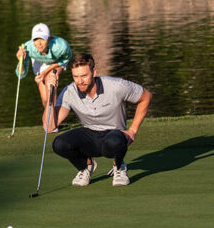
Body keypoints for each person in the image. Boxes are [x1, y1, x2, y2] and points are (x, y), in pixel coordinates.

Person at [46, 52, 151, 187]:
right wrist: (52, 93)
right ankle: (85, 166)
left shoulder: (116, 85)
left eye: (84, 76)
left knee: (114, 142)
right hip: (89, 134)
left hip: (114, 134)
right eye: (76, 77)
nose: (80, 81)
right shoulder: (69, 91)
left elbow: (146, 96)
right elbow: (50, 126)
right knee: (59, 144)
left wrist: (132, 130)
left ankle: (119, 166)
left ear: (94, 72)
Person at [15, 23, 72, 111]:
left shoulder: (61, 46)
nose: (39, 43)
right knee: (45, 100)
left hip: (57, 61)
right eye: (36, 39)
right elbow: (21, 74)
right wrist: (20, 60)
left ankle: (54, 123)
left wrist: (46, 71)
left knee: (50, 83)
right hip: (39, 62)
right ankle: (51, 119)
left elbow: (67, 58)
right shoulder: (28, 48)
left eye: (42, 39)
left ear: (49, 39)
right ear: (32, 40)